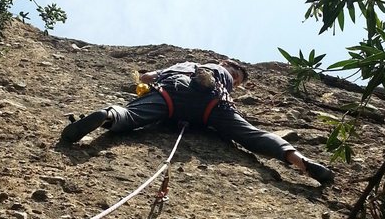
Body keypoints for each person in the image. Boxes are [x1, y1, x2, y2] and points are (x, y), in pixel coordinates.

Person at [60, 59, 334, 185]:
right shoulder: (227, 78)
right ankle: (301, 163)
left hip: (172, 92)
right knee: (253, 135)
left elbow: (146, 79)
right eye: (238, 77)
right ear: (232, 71)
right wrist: (225, 88)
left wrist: (141, 81)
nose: (236, 78)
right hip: (214, 104)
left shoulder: (184, 62)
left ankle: (107, 115)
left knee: (131, 116)